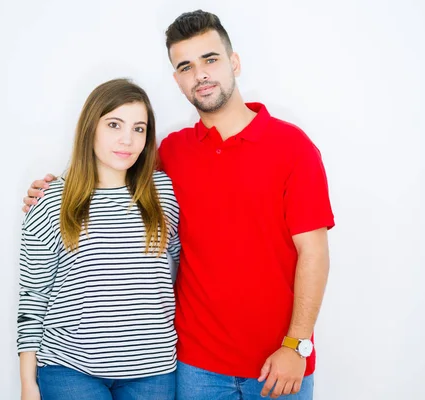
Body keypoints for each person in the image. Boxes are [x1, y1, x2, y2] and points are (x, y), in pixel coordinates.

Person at [22, 10, 334, 400]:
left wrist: (296, 345)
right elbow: (114, 173)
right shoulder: (172, 152)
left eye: (210, 59)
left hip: (279, 365)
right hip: (195, 368)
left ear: (234, 62)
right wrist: (57, 188)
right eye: (185, 66)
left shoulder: (293, 148)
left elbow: (314, 252)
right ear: (177, 80)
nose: (200, 74)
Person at [17, 78, 181, 400]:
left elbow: (192, 264)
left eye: (139, 128)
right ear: (90, 128)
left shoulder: (163, 192)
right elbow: (34, 295)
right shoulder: (51, 201)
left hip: (153, 370)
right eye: (114, 124)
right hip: (70, 369)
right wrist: (27, 384)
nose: (127, 139)